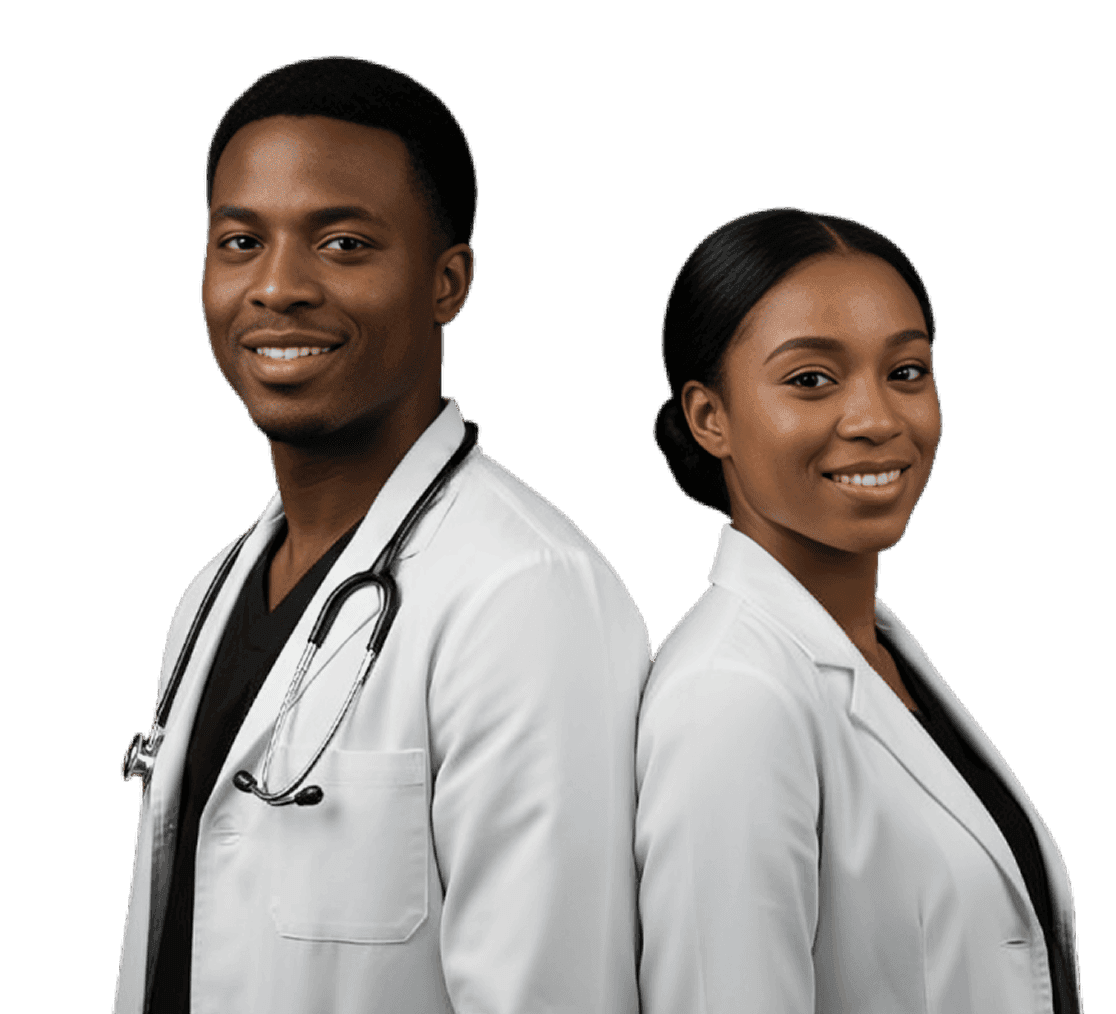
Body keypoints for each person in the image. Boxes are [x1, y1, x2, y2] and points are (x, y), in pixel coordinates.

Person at [113, 56, 649, 1014]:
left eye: (345, 244)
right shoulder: (214, 593)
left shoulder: (526, 597)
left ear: (449, 282)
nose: (278, 287)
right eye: (240, 241)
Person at [636, 207, 1083, 1014]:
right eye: (811, 379)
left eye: (906, 372)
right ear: (711, 419)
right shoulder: (731, 698)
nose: (878, 420)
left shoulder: (876, 654)